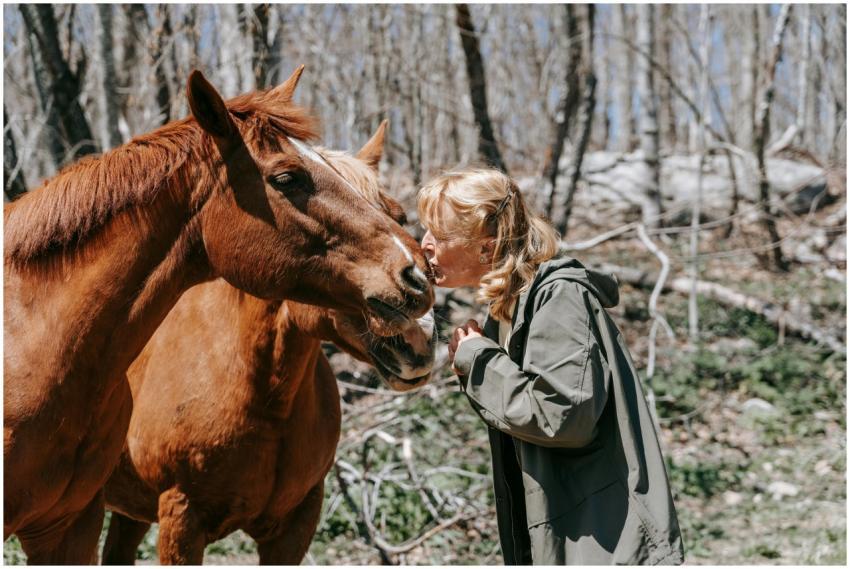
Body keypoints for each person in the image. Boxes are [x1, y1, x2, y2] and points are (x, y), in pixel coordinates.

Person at [417, 167, 684, 565]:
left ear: (487, 249)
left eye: (438, 236)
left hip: (608, 542)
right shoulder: (507, 307)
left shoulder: (558, 296)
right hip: (575, 532)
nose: (424, 246)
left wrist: (479, 359)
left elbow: (562, 416)